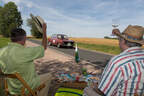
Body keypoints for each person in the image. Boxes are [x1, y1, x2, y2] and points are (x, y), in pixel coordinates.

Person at [84, 25, 144, 96]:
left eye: (119, 39)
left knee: (87, 89)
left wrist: (93, 86)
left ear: (123, 41)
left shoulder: (119, 61)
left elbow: (103, 91)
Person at [0, 23, 52, 96]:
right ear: (24, 39)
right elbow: (44, 47)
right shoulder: (26, 52)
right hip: (26, 88)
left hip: (11, 87)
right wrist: (44, 31)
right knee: (49, 75)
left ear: (11, 38)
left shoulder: (1, 51)